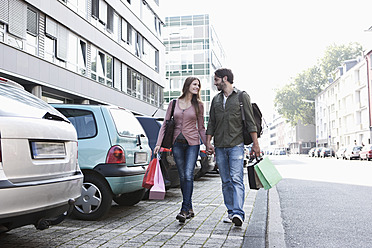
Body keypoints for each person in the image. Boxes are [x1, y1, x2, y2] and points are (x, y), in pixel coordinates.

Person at [206, 68, 260, 227]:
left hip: (236, 145)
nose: (215, 83)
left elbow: (251, 123)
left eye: (216, 80)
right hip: (220, 146)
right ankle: (231, 213)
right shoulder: (215, 100)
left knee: (236, 179)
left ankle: (238, 213)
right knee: (226, 181)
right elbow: (211, 123)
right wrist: (208, 142)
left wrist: (255, 145)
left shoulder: (242, 96)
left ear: (224, 79)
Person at [154, 77, 207, 223]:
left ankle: (184, 209)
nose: (197, 87)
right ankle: (189, 208)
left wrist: (208, 145)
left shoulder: (199, 105)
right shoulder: (174, 103)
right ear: (187, 85)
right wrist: (159, 143)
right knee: (183, 176)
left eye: (198, 85)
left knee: (188, 175)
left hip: (193, 144)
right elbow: (165, 124)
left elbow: (201, 127)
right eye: (195, 84)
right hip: (177, 143)